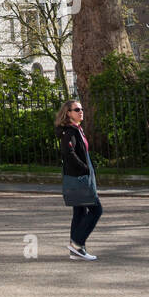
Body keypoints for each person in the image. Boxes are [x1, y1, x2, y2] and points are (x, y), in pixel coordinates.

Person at [56, 99, 102, 260]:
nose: (80, 111)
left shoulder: (76, 129)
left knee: (80, 211)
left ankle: (76, 250)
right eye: (76, 109)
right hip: (78, 179)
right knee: (96, 210)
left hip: (78, 177)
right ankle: (77, 244)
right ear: (68, 113)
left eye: (81, 108)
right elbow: (68, 152)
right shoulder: (70, 131)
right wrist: (84, 168)